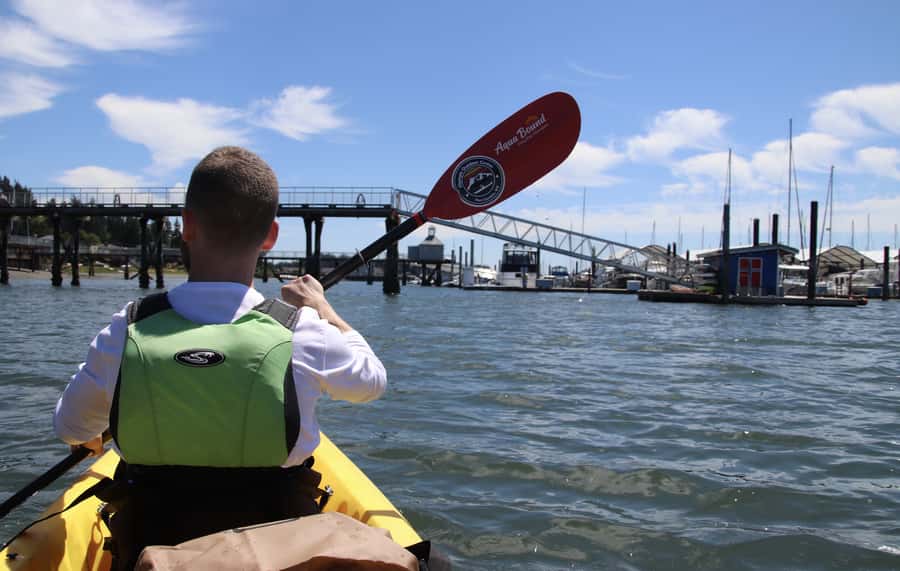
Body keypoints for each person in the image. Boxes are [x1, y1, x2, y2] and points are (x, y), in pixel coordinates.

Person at [53, 146, 387, 568]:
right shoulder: (301, 330)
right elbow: (373, 381)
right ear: (271, 237)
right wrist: (323, 309)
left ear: (186, 226)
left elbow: (69, 427)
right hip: (276, 554)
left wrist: (100, 425)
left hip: (151, 551)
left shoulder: (127, 328)